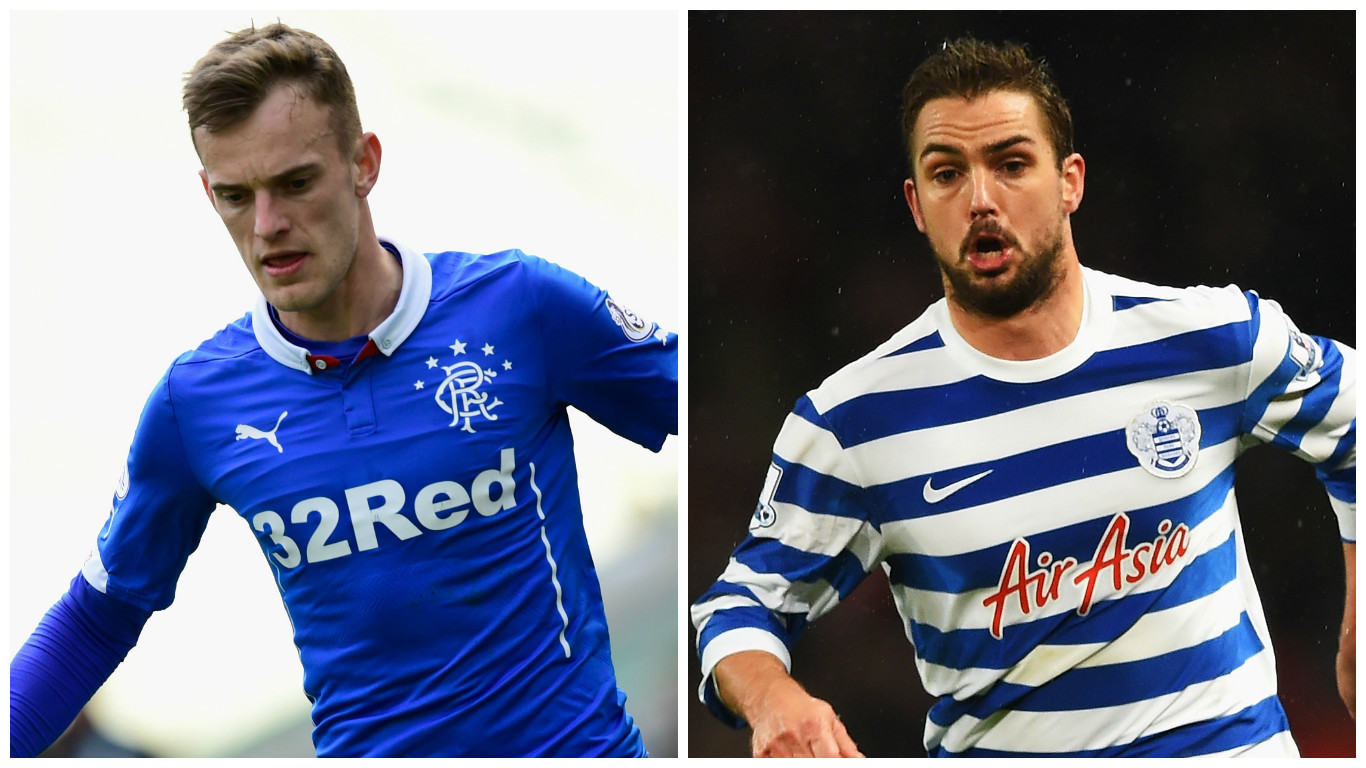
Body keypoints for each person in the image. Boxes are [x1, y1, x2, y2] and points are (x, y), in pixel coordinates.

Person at [10, 22, 677, 758]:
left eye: (295, 183)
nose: (268, 226)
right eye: (236, 195)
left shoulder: (520, 308)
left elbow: (715, 412)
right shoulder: (196, 404)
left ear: (364, 163)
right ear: (208, 193)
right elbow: (96, 619)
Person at [690, 36, 1354, 758]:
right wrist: (773, 697)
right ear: (916, 203)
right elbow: (739, 606)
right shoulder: (855, 422)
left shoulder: (1207, 337)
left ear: (1070, 181)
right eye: (947, 174)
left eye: (1011, 165)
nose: (980, 200)